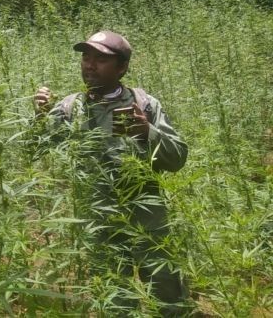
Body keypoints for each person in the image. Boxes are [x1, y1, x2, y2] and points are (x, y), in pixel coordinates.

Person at [33, 30, 191, 315]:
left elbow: (178, 157)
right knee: (115, 298)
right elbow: (34, 152)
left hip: (148, 220)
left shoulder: (144, 104)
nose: (89, 65)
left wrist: (148, 133)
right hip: (99, 222)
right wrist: (40, 118)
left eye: (101, 59)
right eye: (86, 57)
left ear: (122, 67)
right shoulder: (70, 108)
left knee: (168, 293)